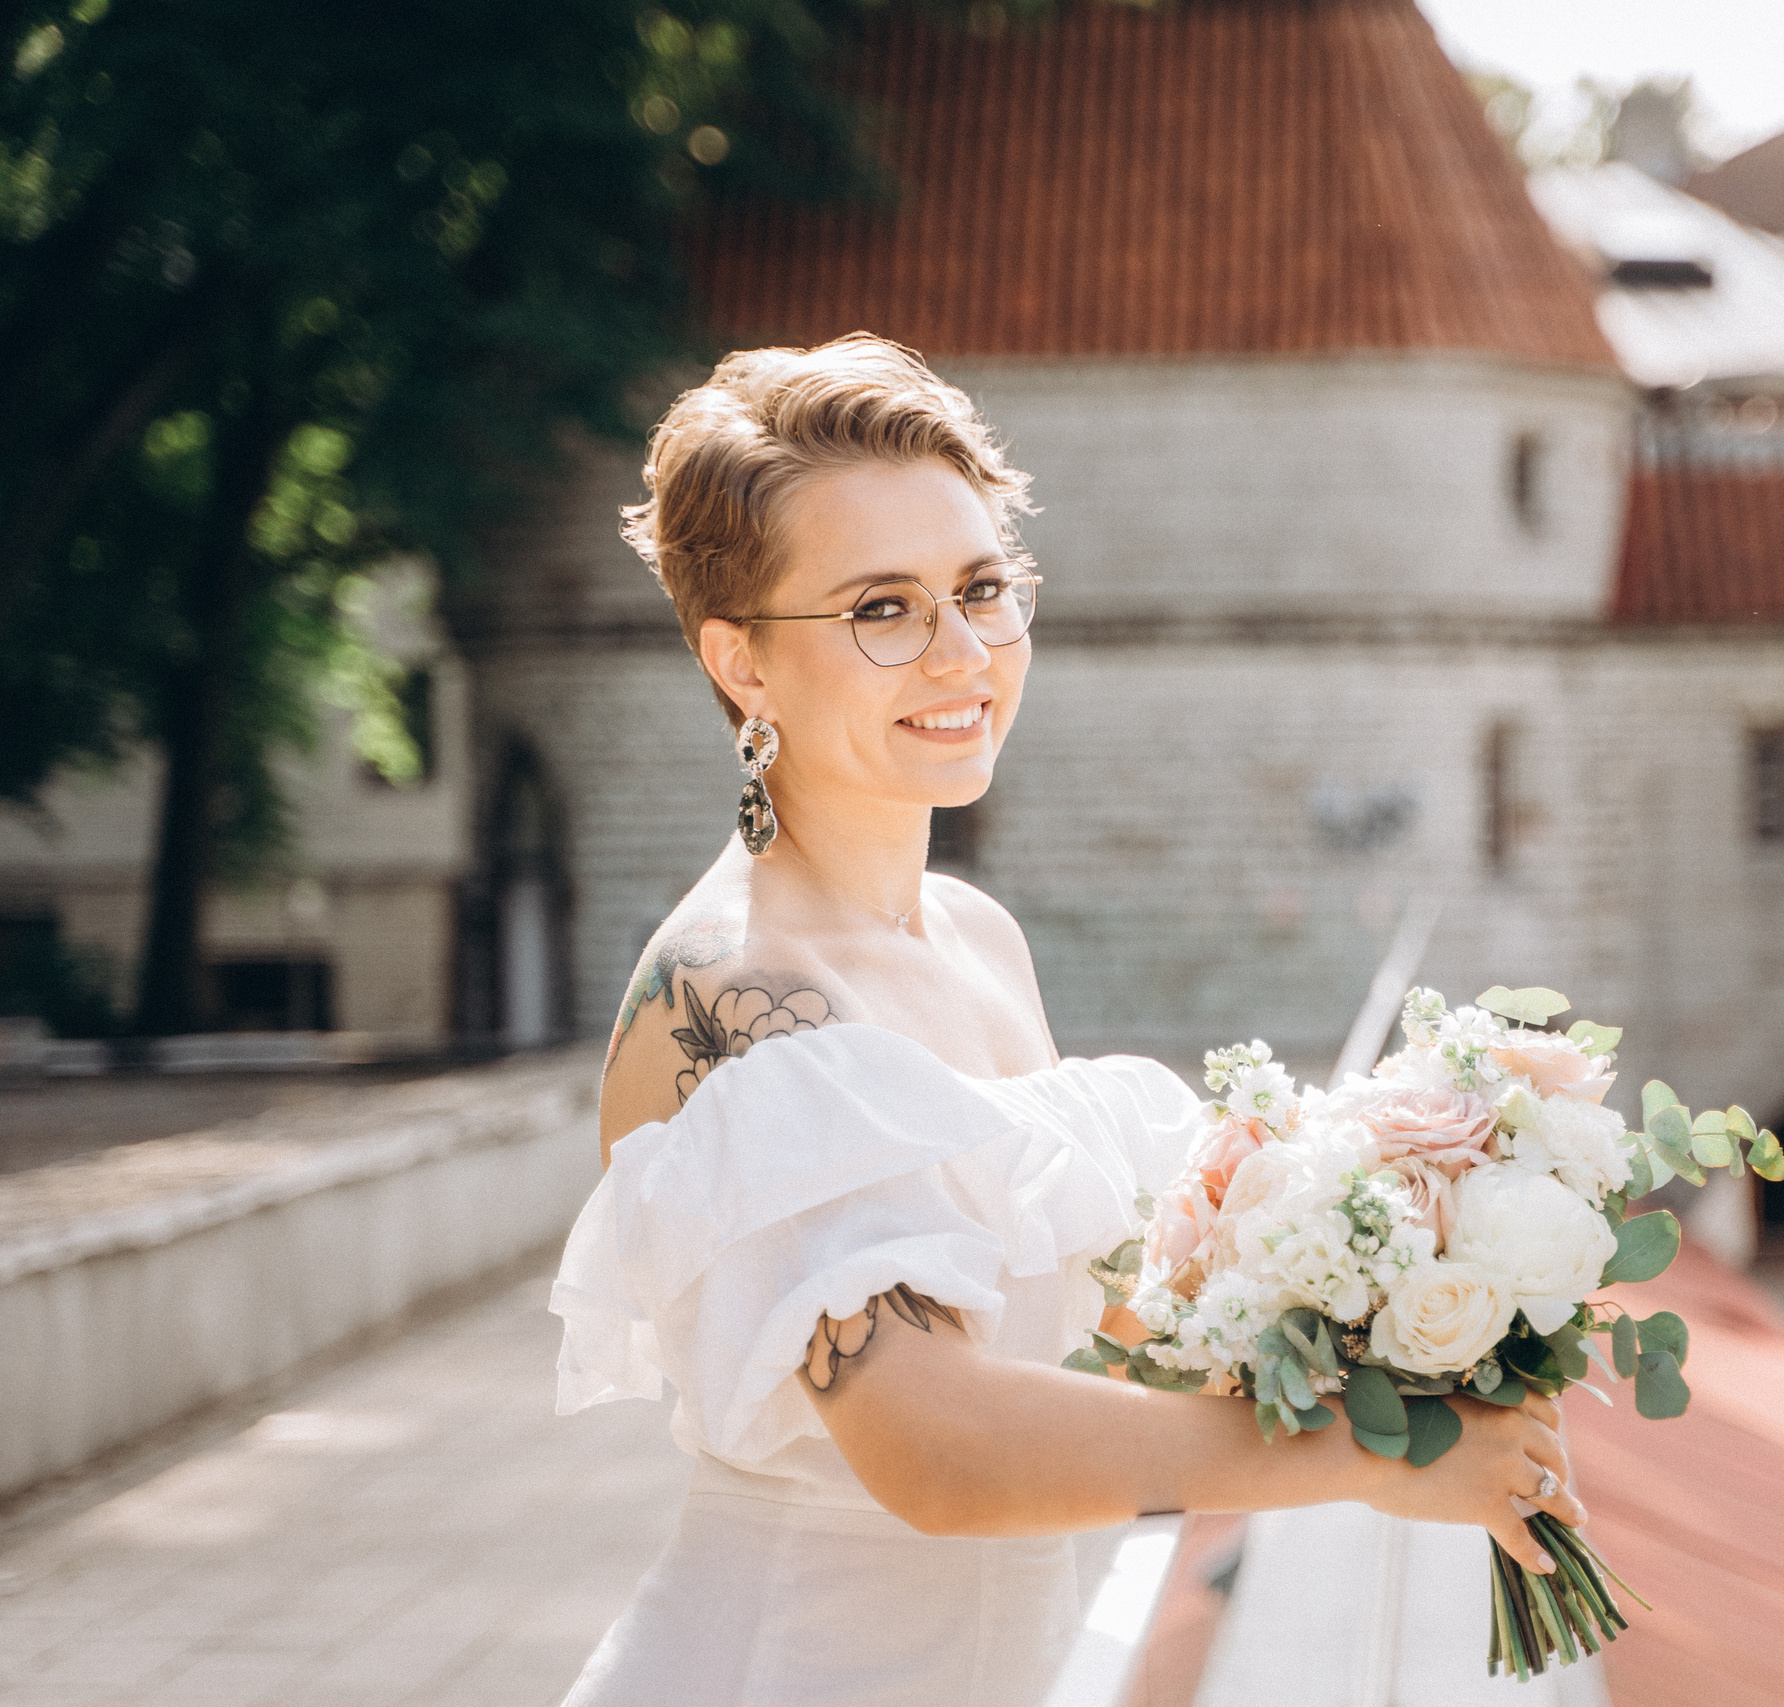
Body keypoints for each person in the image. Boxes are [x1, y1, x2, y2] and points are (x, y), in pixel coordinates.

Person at [550, 334, 1582, 1707]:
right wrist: (1365, 1459)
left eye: (982, 588)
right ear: (741, 661)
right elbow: (945, 1451)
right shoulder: (734, 998)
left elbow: (1081, 1333)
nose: (963, 652)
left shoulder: (976, 938)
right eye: (882, 609)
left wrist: (1406, 1277)